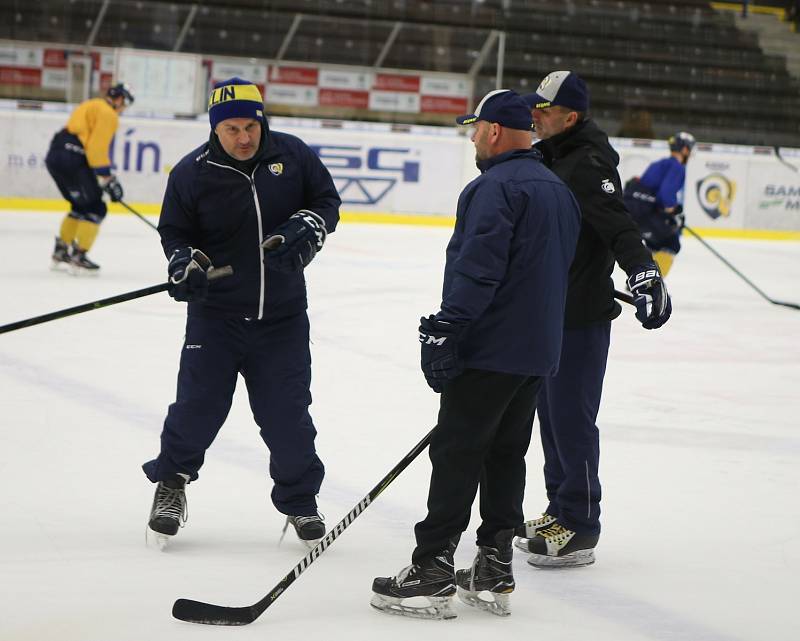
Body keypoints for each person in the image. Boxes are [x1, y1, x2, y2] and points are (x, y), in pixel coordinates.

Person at [370, 89, 581, 620]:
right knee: (505, 454)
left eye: (474, 129)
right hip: (536, 352)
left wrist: (448, 328)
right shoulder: (558, 190)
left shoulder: (493, 188)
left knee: (458, 451)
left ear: (492, 130)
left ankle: (433, 568)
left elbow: (478, 268)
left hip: (490, 348)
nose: (471, 139)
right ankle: (493, 566)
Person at [142, 77, 341, 549]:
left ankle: (300, 501)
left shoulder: (293, 157)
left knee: (288, 416)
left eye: (250, 125)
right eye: (231, 129)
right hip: (216, 317)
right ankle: (171, 485)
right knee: (196, 408)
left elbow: (326, 203)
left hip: (283, 317)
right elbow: (174, 232)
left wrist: (306, 226)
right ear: (216, 129)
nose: (244, 137)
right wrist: (184, 262)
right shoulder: (192, 172)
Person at [515, 71, 671, 568]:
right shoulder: (555, 154)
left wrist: (644, 271)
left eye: (544, 110)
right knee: (550, 417)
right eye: (534, 108)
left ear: (570, 117)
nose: (534, 115)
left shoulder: (588, 163)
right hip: (549, 313)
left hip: (580, 317)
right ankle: (560, 508)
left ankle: (581, 525)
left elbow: (618, 224)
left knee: (571, 420)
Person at [45, 83, 133, 273]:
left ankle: (61, 251)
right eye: (126, 102)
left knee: (79, 206)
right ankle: (79, 255)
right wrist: (108, 178)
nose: (124, 108)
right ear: (119, 99)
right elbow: (96, 148)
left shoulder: (92, 103)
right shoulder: (109, 114)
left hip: (55, 154)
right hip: (73, 157)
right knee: (96, 208)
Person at [623, 131, 696, 277]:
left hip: (635, 215)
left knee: (654, 244)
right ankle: (651, 284)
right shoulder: (677, 167)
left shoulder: (658, 164)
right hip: (648, 217)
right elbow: (666, 195)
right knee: (672, 244)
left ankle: (641, 278)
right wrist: (674, 213)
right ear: (685, 149)